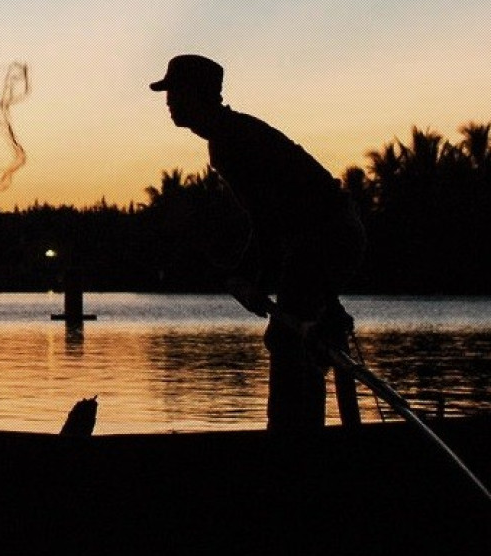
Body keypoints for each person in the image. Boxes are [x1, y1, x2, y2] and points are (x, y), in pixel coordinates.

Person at [150, 54, 365, 430]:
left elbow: (268, 221)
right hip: (313, 240)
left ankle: (291, 435)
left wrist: (256, 280)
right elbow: (264, 222)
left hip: (327, 236)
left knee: (287, 337)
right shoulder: (228, 136)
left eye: (175, 93)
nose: (168, 103)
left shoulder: (232, 141)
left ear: (199, 94)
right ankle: (304, 424)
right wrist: (246, 275)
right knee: (305, 333)